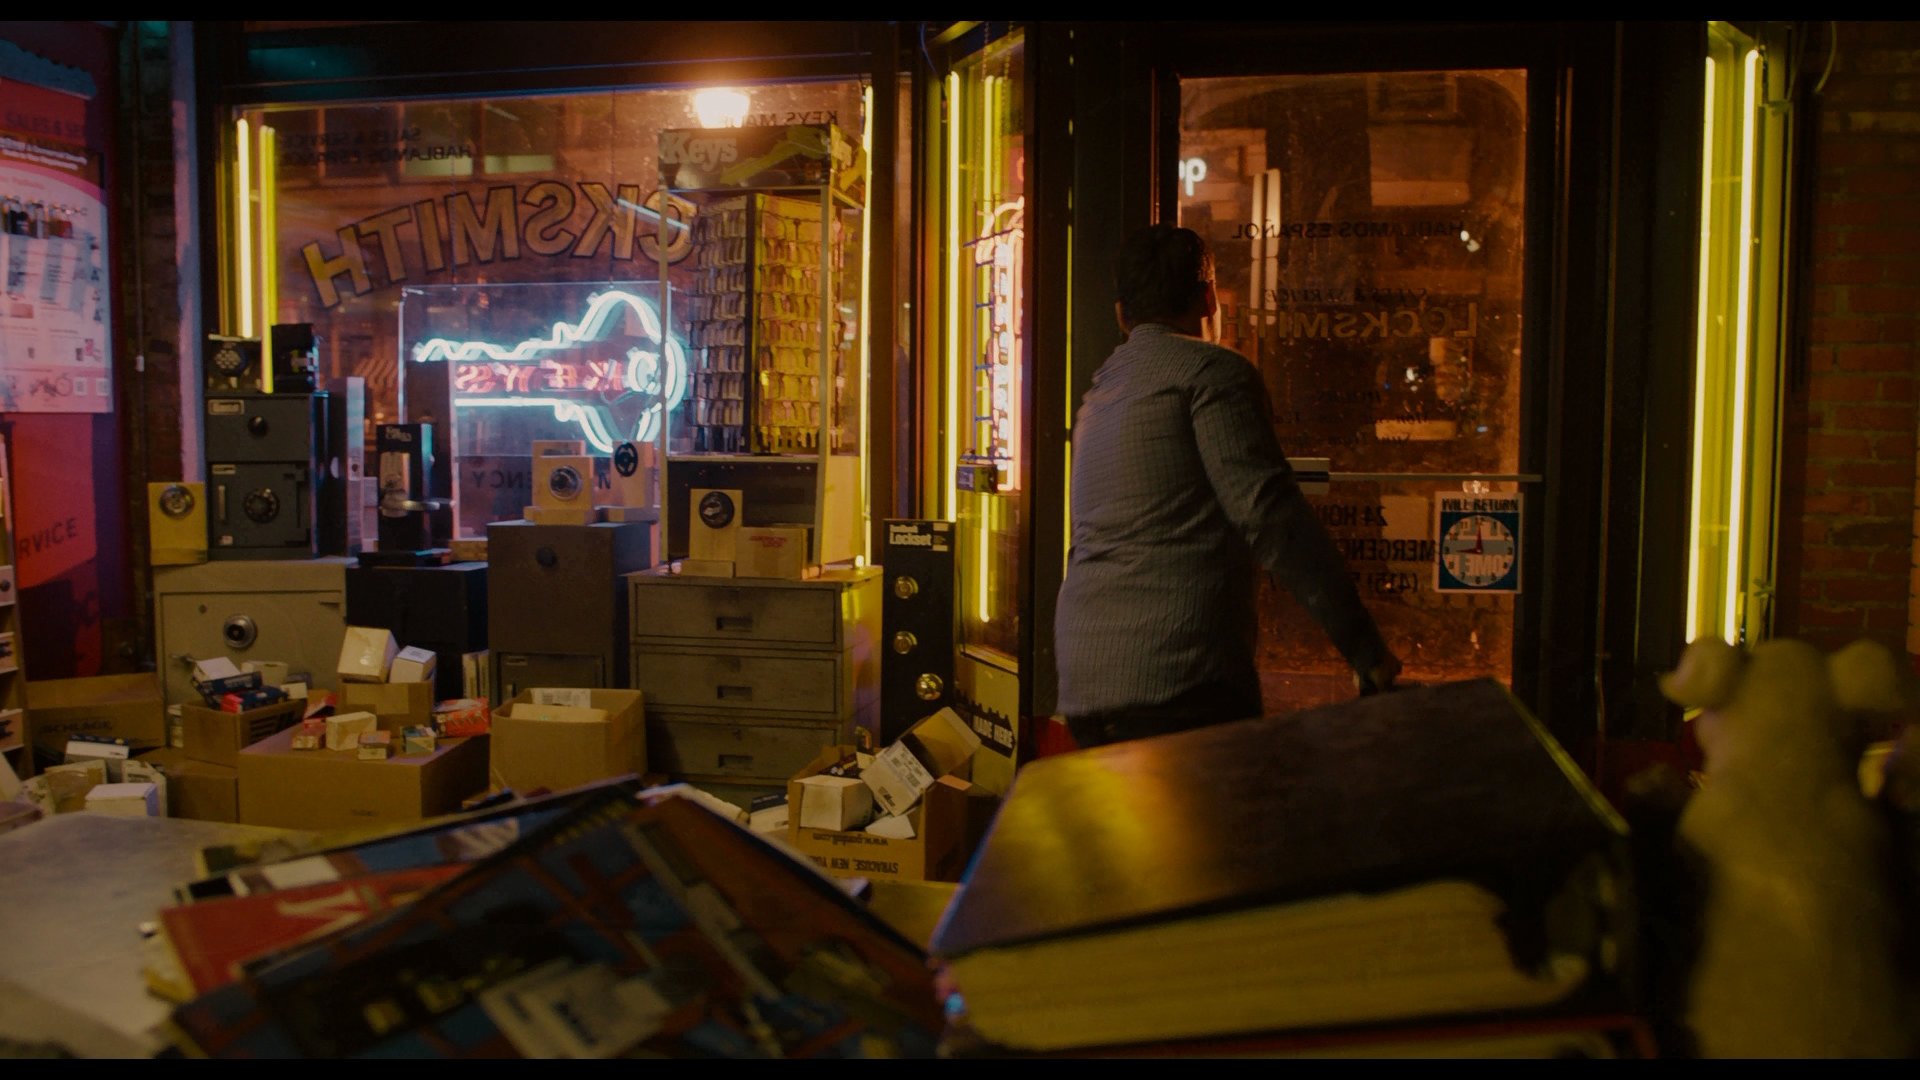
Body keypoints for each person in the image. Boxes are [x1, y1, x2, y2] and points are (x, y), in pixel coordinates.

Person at [1054, 223, 1401, 748]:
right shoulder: (1211, 374)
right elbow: (1271, 515)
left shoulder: (1098, 398)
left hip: (1086, 681)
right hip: (1179, 679)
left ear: (1122, 314)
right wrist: (1365, 648)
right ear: (1209, 298)